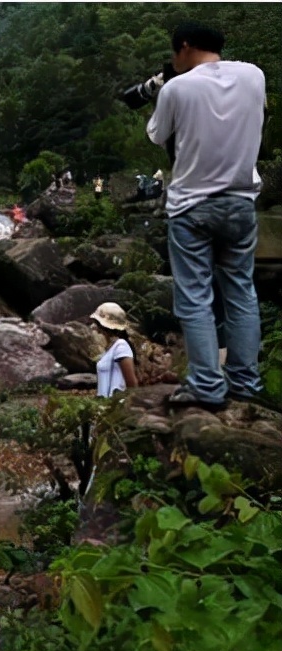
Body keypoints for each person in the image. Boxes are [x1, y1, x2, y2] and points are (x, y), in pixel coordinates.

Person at [146, 21, 266, 409]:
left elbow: (158, 135)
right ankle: (246, 382)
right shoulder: (253, 76)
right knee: (242, 291)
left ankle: (206, 386)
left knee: (195, 297)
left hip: (192, 207)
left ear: (183, 47)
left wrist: (160, 91)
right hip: (241, 202)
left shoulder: (176, 88)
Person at [90, 302, 138, 398]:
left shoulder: (121, 346)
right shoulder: (112, 347)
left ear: (103, 326)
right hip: (106, 406)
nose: (95, 327)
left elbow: (131, 383)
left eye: (97, 323)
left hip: (116, 406)